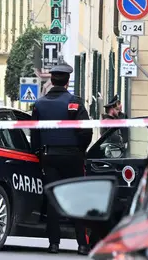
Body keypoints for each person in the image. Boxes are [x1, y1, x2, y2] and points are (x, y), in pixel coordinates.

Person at [31, 62, 92, 255]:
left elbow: (35, 134)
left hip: (49, 156)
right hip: (72, 156)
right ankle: (82, 244)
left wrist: (39, 153)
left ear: (51, 79)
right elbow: (86, 131)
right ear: (67, 82)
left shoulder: (39, 104)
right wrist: (80, 151)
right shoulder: (75, 102)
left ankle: (54, 244)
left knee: (52, 200)